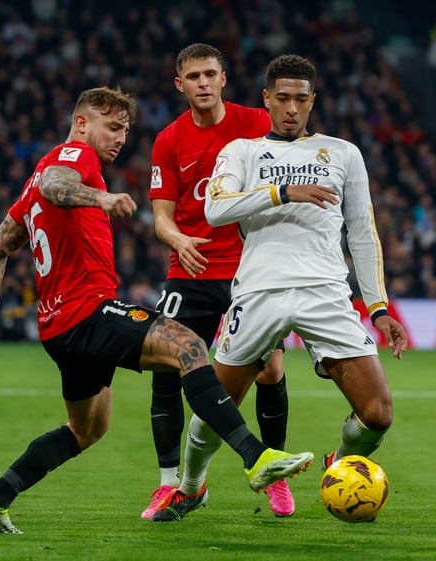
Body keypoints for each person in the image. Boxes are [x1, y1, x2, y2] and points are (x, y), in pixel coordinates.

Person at [0, 86, 313, 534]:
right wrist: (102, 199)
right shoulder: (72, 157)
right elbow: (57, 184)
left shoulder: (32, 183)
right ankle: (255, 458)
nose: (120, 138)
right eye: (113, 127)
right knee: (186, 344)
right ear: (83, 123)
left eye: (125, 130)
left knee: (86, 429)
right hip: (86, 313)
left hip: (57, 329)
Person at [150, 53, 409, 523]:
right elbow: (215, 210)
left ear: (314, 102)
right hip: (258, 293)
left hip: (325, 293)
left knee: (378, 413)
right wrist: (283, 191)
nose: (292, 108)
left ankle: (339, 462)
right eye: (283, 98)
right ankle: (189, 488)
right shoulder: (243, 152)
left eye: (301, 100)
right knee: (213, 413)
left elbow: (363, 234)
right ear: (266, 99)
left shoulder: (344, 153)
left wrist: (378, 307)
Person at [144, 43, 295, 520]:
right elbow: (161, 218)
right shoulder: (168, 140)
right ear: (180, 85)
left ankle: (276, 479)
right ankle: (171, 483)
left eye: (211, 73)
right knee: (164, 366)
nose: (203, 83)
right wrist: (179, 239)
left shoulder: (255, 124)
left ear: (224, 79)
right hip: (187, 272)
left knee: (269, 369)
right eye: (194, 76)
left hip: (248, 272)